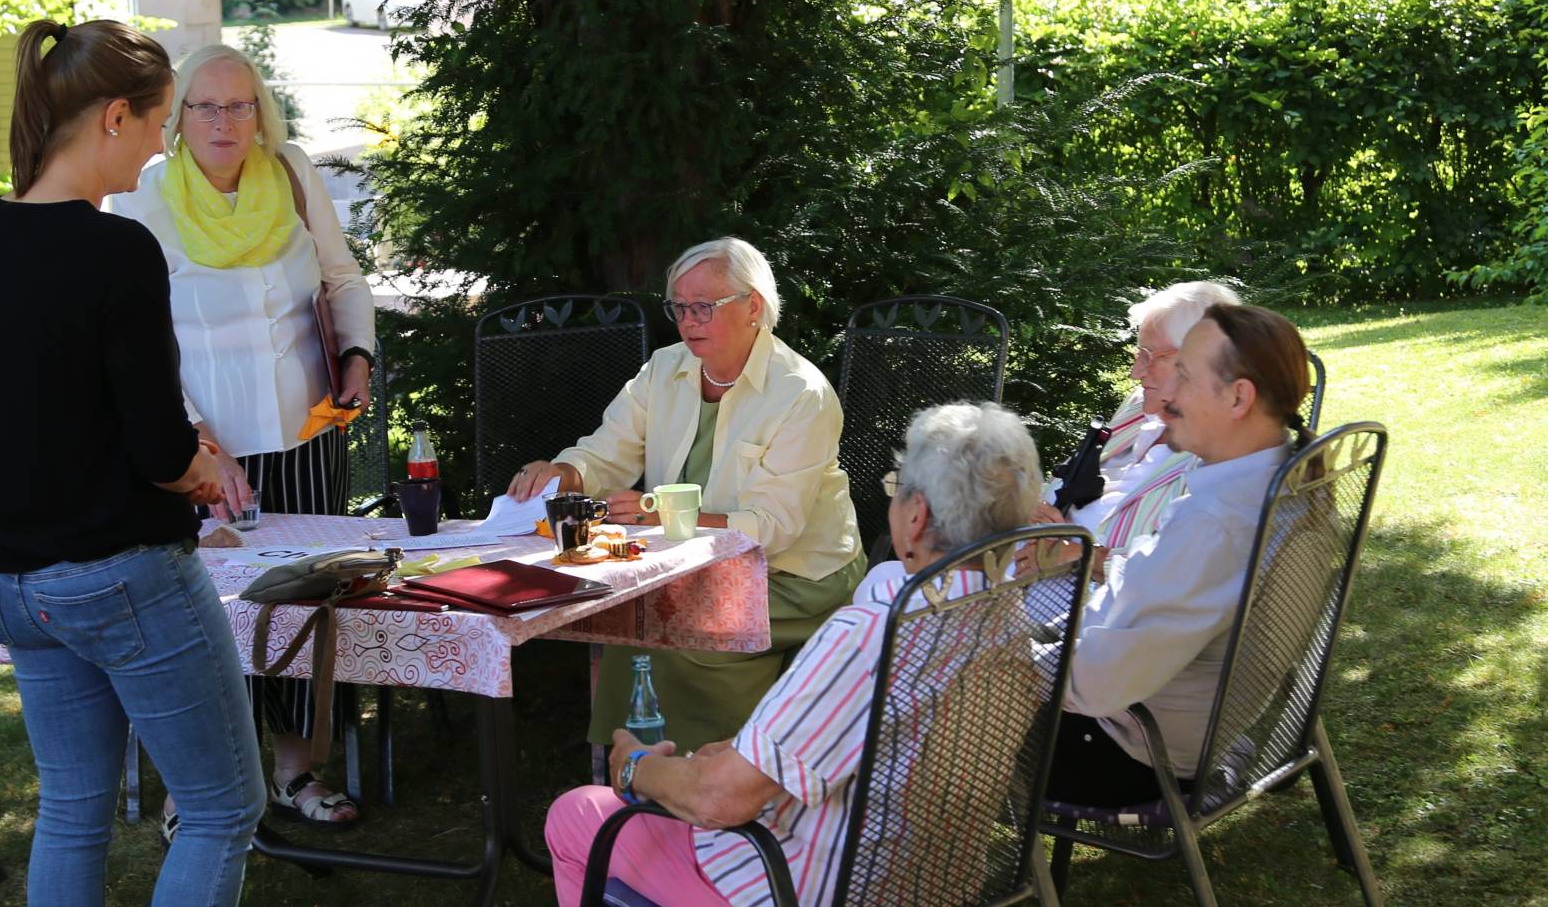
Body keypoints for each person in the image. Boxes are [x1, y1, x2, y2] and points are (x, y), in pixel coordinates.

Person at [0, 19, 265, 906]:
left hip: (17, 580)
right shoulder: (116, 249)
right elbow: (159, 449)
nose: (164, 147)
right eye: (164, 122)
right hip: (120, 572)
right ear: (115, 117)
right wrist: (203, 471)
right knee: (221, 809)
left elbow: (31, 413)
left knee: (72, 812)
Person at [544, 402, 1044, 907]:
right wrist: (742, 751)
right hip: (933, 887)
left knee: (577, 814)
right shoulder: (1007, 623)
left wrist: (635, 766)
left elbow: (717, 800)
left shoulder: (871, 635)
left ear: (916, 517)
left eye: (896, 490)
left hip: (794, 887)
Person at [107, 43, 377, 834]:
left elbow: (344, 278)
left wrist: (356, 354)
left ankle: (299, 771)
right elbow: (135, 335)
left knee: (307, 607)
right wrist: (190, 438)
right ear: (177, 119)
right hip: (198, 449)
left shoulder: (290, 174)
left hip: (304, 433)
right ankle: (199, 789)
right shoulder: (144, 200)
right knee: (206, 618)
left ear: (261, 113)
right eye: (206, 107)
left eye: (241, 105)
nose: (226, 122)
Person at [507, 237, 864, 750]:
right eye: (679, 307)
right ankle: (630, 772)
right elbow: (608, 451)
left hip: (796, 577)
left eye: (703, 306)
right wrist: (564, 473)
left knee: (679, 632)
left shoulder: (800, 393)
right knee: (632, 621)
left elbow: (772, 529)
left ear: (753, 307)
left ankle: (715, 776)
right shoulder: (664, 370)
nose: (688, 321)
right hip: (690, 564)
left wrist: (656, 512)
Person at [1046, 303, 1315, 806]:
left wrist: (994, 659)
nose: (1165, 396)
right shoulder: (1287, 477)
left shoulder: (1216, 521)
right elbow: (1162, 592)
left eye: (1184, 378)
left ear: (1239, 397)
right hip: (1188, 729)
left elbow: (1090, 687)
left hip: (1127, 755)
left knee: (901, 691)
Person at [1027, 280, 1242, 578]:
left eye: (1150, 357)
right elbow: (1070, 483)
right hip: (1040, 562)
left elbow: (1183, 576)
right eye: (1138, 354)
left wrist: (1077, 554)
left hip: (1098, 604)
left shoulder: (1223, 456)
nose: (1135, 372)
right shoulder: (1142, 407)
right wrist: (1036, 510)